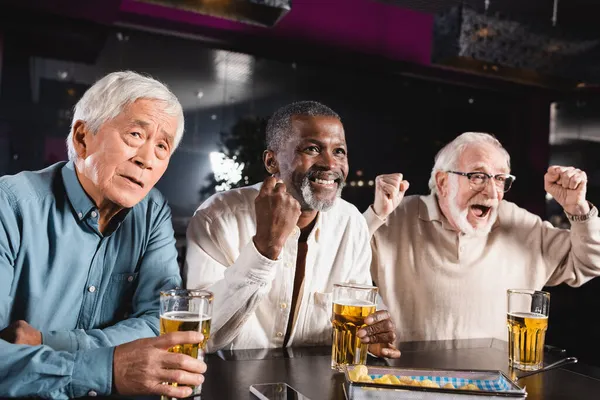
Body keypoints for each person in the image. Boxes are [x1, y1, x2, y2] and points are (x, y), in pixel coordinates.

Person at [0, 71, 206, 398]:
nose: (146, 159)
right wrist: (108, 367)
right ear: (83, 138)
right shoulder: (9, 206)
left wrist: (49, 343)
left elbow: (159, 322)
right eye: (135, 134)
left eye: (162, 146)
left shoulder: (151, 212)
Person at [185, 101, 399, 357]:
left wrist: (370, 339)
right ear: (271, 161)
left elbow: (357, 322)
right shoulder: (216, 217)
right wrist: (265, 248)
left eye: (339, 151)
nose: (330, 164)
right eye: (312, 148)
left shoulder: (351, 222)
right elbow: (200, 336)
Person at [366, 131, 600, 343]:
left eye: (500, 179)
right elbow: (338, 262)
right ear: (443, 181)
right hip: (409, 383)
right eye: (477, 176)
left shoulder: (520, 224)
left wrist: (578, 210)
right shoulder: (397, 218)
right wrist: (375, 215)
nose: (492, 192)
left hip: (498, 385)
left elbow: (589, 264)